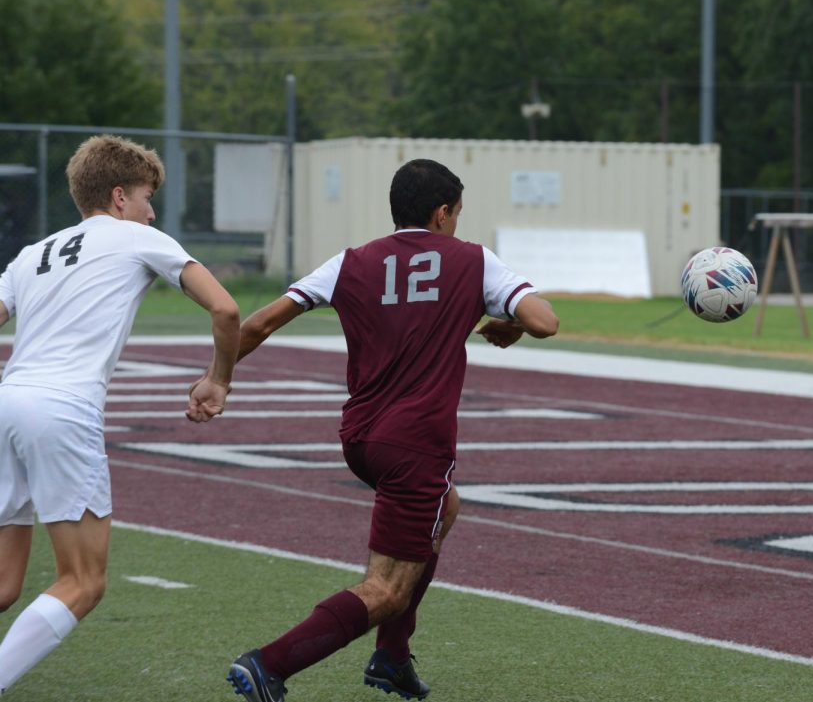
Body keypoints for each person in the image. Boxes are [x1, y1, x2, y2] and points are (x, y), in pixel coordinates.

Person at [224, 158, 558, 702]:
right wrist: (511, 323)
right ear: (443, 212)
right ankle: (269, 663)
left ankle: (393, 656)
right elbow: (546, 320)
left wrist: (216, 378)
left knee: (445, 509)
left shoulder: (351, 261)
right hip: (415, 445)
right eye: (456, 214)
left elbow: (259, 323)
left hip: (361, 437)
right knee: (386, 588)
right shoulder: (472, 260)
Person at [0, 135, 239, 693]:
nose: (152, 210)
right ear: (117, 197)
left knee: (5, 584)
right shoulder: (138, 237)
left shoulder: (34, 252)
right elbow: (226, 308)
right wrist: (218, 379)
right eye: (146, 196)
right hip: (61, 409)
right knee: (83, 582)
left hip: (7, 402)